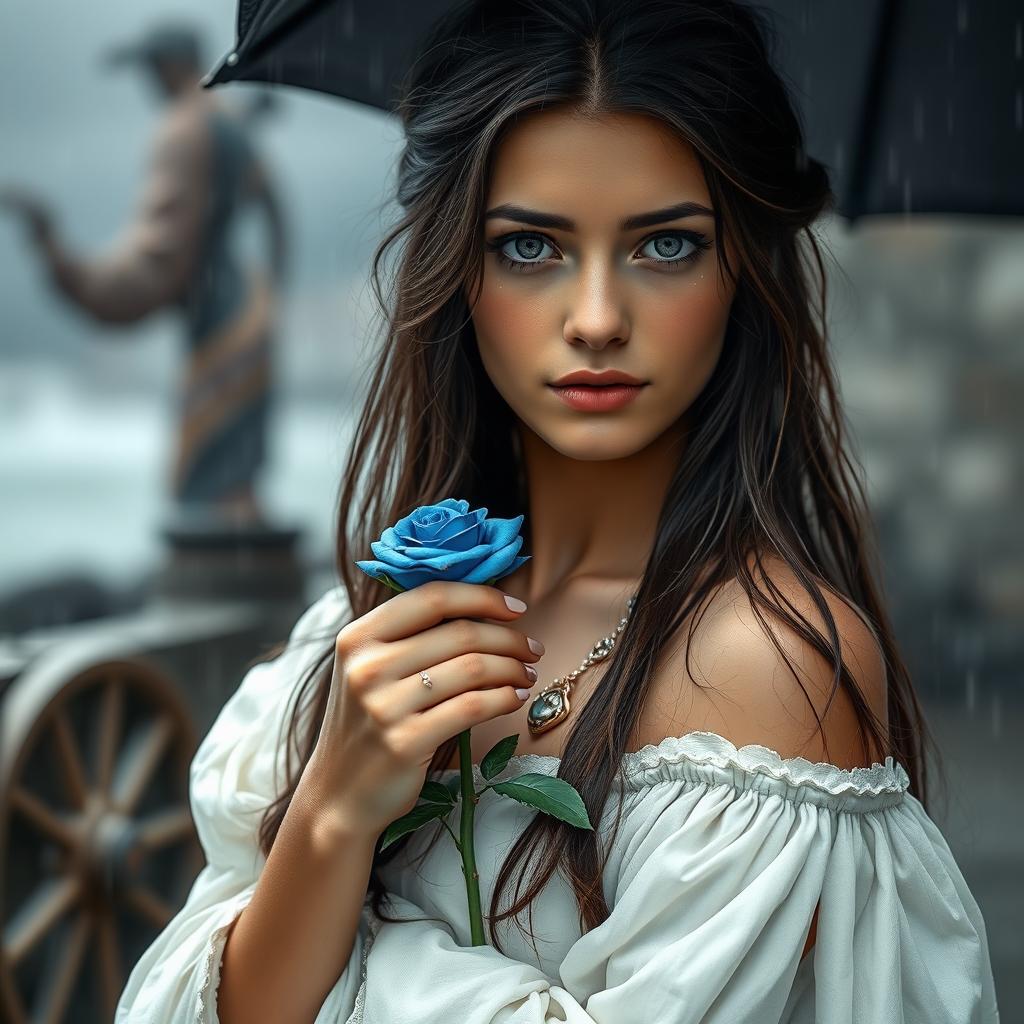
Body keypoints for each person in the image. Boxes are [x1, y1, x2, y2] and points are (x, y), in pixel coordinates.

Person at [114, 1, 1000, 1021]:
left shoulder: (768, 670)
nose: (594, 318)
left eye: (663, 247)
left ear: (740, 279)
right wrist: (328, 812)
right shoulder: (377, 617)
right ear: (460, 277)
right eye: (530, 248)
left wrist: (359, 950)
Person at [0, 22, 286, 528]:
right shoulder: (223, 119)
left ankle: (225, 565)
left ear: (171, 65)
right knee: (233, 475)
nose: (148, 81)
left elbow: (155, 262)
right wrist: (275, 287)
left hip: (220, 311)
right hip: (246, 303)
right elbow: (274, 209)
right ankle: (241, 553)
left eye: (151, 68)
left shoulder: (184, 128)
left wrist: (55, 253)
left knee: (210, 484)